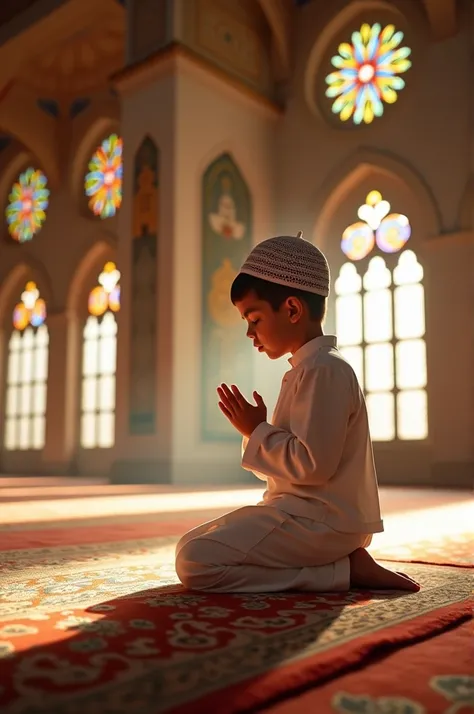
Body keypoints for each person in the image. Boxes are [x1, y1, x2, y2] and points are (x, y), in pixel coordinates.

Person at [175, 233, 420, 593]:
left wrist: (258, 430)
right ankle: (343, 566)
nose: (249, 332)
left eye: (254, 319)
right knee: (188, 547)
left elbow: (312, 466)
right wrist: (254, 431)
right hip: (300, 514)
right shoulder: (308, 369)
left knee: (196, 562)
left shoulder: (325, 370)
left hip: (321, 522)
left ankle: (339, 572)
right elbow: (292, 469)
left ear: (291, 309)